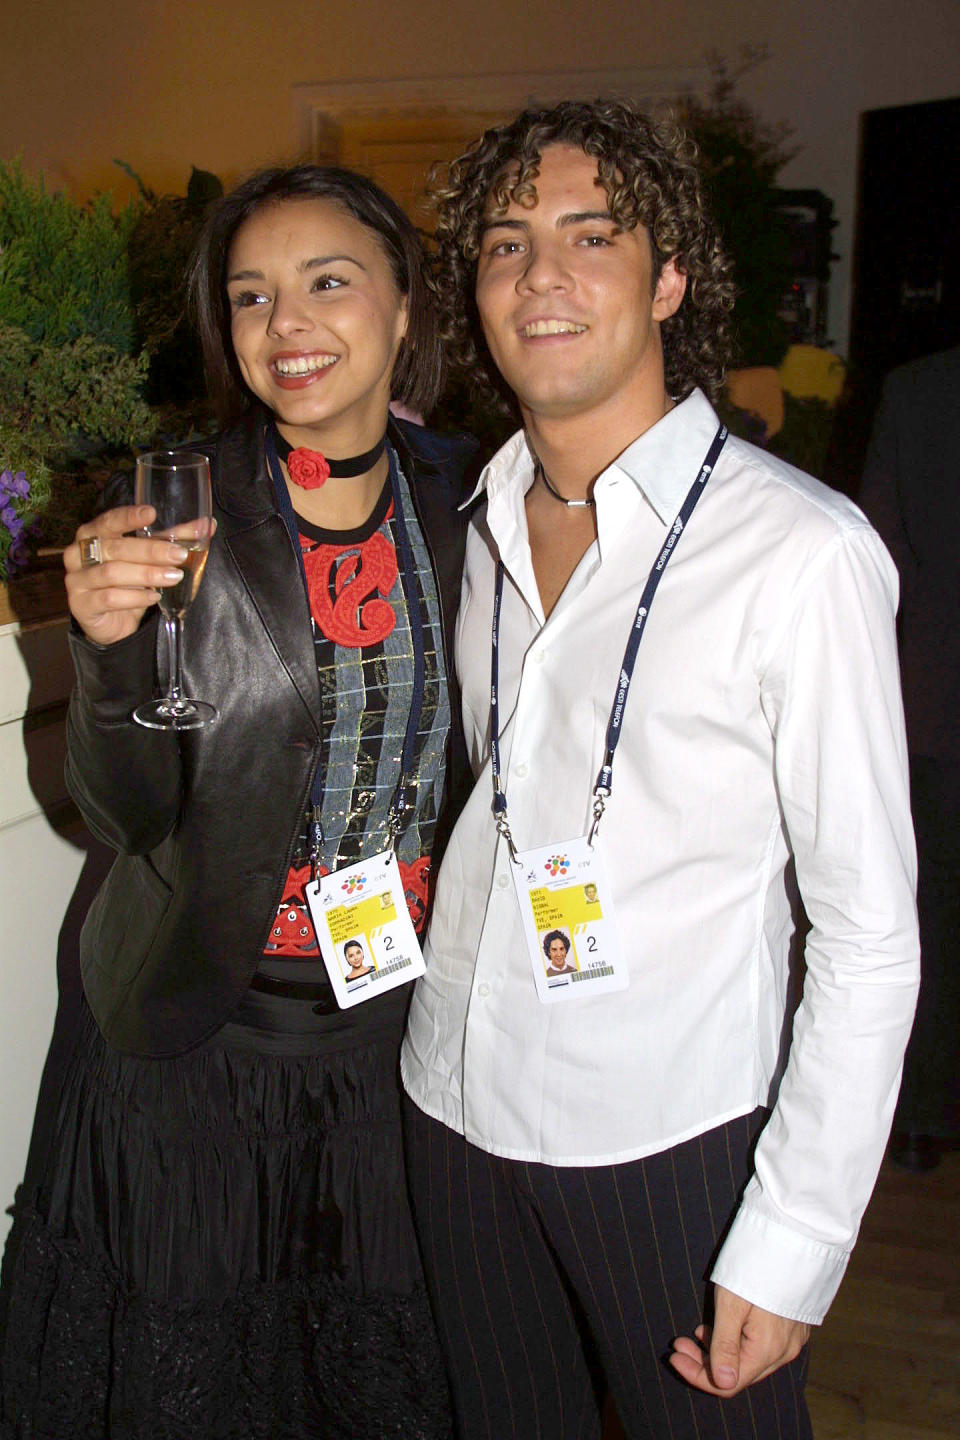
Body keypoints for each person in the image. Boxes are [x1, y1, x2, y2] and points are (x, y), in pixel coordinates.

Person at [400, 100, 920, 1440]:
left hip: (672, 1141)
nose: (543, 276)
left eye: (590, 235)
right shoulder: (468, 525)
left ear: (670, 276)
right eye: (507, 245)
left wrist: (795, 1233)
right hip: (452, 1104)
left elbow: (868, 935)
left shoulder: (801, 553)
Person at [0, 164, 479, 1439]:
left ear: (405, 302)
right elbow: (123, 815)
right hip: (194, 1031)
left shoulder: (476, 500)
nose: (288, 326)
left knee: (364, 1372)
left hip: (387, 1035)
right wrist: (103, 661)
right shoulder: (177, 506)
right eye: (253, 296)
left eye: (329, 282)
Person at [858, 346, 960, 1171]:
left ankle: (922, 1116)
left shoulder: (917, 388)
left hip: (933, 699)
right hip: (930, 703)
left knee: (933, 918)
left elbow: (882, 555)